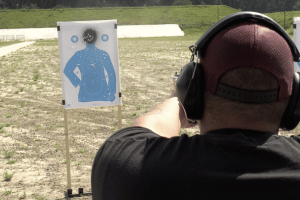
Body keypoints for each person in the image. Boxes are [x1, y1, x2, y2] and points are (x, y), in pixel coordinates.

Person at [91, 13, 300, 199]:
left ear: (193, 92)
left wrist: (178, 100)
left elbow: (148, 126)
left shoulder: (126, 168)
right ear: (294, 101)